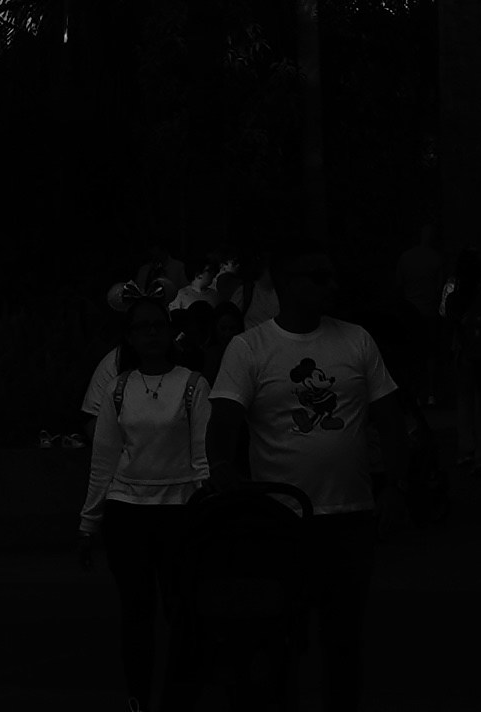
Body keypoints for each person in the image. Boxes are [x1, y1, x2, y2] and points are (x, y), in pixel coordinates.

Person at [208, 252, 410, 710]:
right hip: (281, 520)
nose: (330, 286)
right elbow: (223, 423)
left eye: (331, 276)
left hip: (350, 516)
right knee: (278, 636)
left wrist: (396, 486)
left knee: (344, 639)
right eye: (318, 278)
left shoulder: (356, 340)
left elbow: (390, 418)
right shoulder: (250, 348)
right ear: (285, 283)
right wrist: (227, 479)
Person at [80, 275, 217, 709]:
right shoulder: (119, 388)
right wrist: (89, 522)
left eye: (158, 325)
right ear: (131, 336)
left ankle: (180, 697)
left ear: (169, 330)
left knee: (183, 611)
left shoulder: (193, 385)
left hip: (180, 511)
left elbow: (202, 457)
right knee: (136, 613)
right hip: (127, 513)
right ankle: (137, 696)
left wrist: (206, 507)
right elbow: (104, 459)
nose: (152, 333)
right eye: (143, 327)